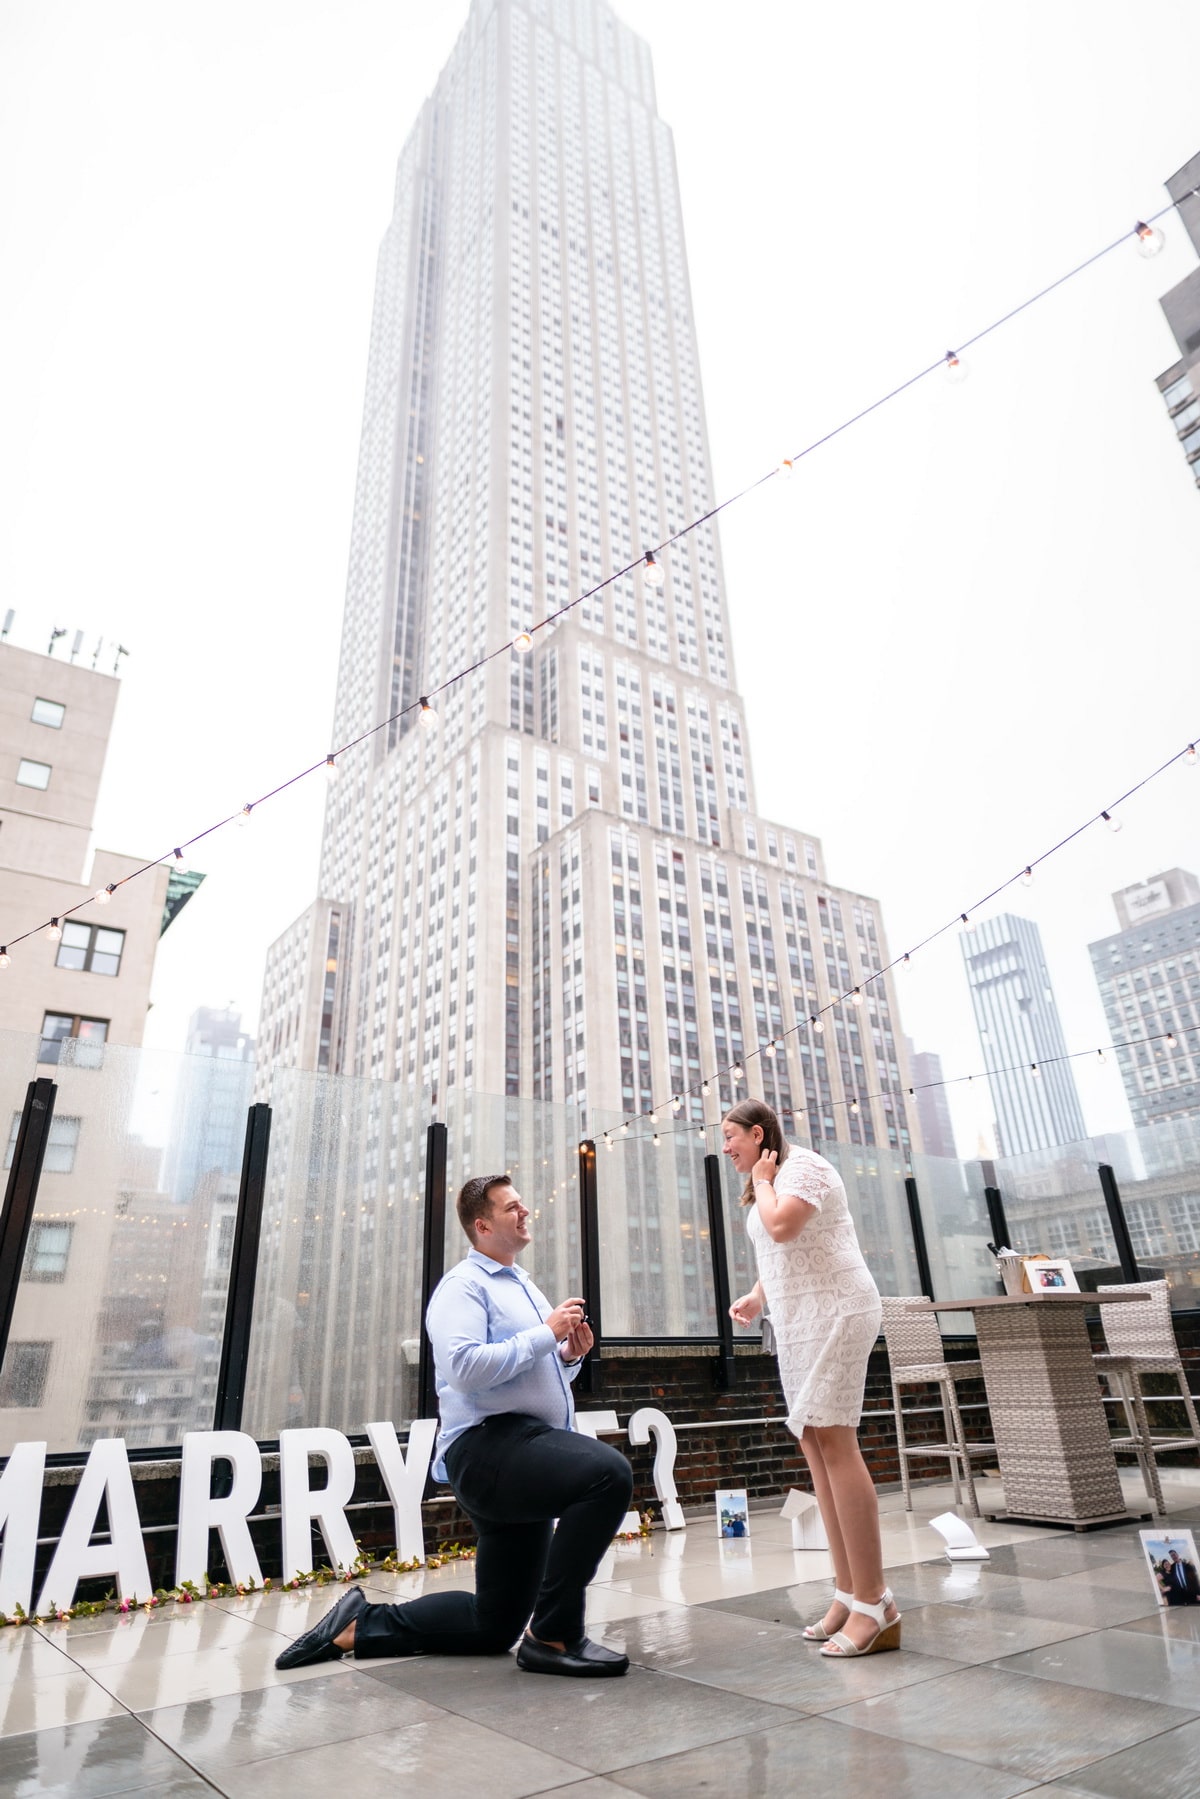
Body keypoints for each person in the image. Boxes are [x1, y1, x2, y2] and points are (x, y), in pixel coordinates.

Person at [275, 1173, 634, 1677]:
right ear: (483, 1225)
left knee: (492, 1626)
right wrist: (544, 1332)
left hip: (522, 1452)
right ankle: (554, 1635)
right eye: (512, 1207)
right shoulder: (462, 1286)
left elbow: (527, 1367)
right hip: (488, 1449)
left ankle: (360, 1624)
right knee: (607, 1475)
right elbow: (463, 1368)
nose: (525, 1211)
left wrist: (568, 1357)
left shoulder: (523, 1283)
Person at [724, 1097, 896, 1658]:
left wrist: (766, 1178)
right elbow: (786, 1254)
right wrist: (756, 1295)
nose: (726, 1148)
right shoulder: (770, 1178)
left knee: (836, 1441)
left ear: (758, 1134)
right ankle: (848, 1593)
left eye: (731, 1137)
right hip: (798, 1317)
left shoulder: (805, 1168)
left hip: (840, 1310)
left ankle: (876, 1602)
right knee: (815, 1445)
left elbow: (781, 1226)